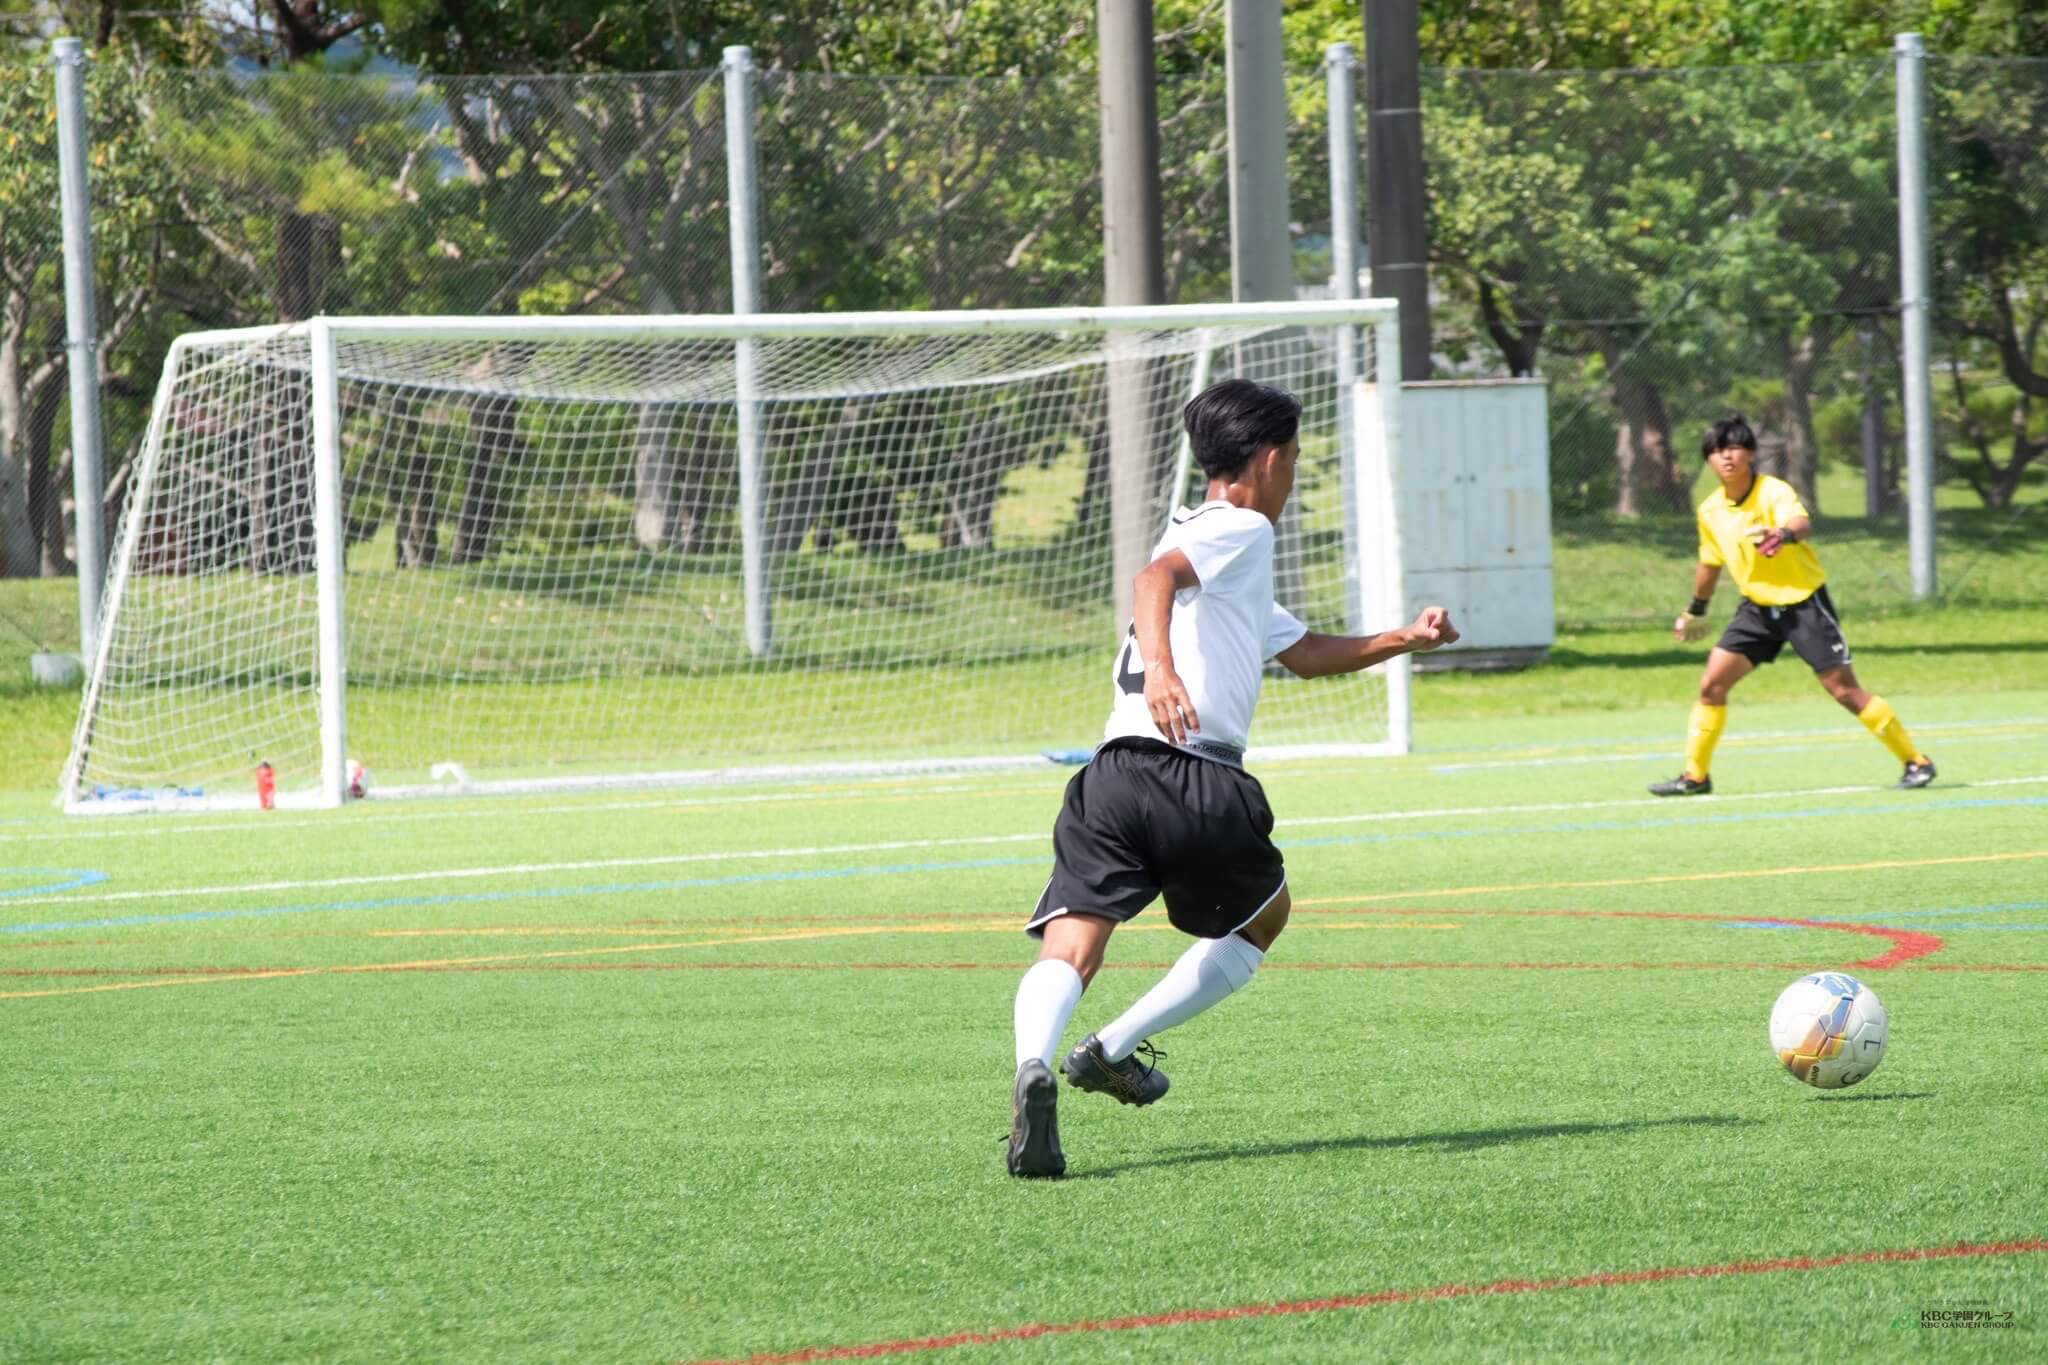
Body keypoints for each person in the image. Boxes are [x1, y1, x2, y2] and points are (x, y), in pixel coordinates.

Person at [1006, 378, 1457, 1179]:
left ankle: (1032, 1065)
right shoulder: (1241, 527)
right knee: (1261, 919)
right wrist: (1165, 671)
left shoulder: (1211, 542)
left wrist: (1404, 638)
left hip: (1112, 772)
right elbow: (1153, 579)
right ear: (1271, 458)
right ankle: (1109, 1048)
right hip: (1196, 772)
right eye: (1296, 459)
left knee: (1071, 945)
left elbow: (1303, 652)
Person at [1649, 414, 1935, 798]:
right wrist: (1695, 610)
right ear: (1707, 461)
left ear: (1751, 453)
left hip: (1803, 604)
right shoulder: (1710, 510)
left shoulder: (1772, 491)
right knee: (1711, 685)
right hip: (1757, 608)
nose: (1726, 457)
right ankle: (1695, 777)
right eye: (1716, 451)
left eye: (1734, 447)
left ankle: (1916, 761)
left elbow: (1801, 523)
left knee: (1844, 691)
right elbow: (1710, 563)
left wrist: (1781, 534)